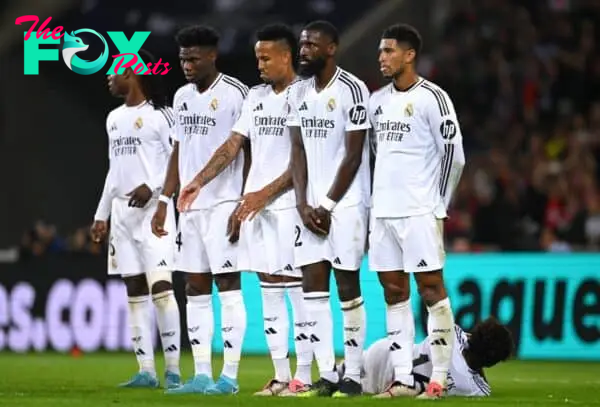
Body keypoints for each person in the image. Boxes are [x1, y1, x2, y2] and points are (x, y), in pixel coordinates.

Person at [177, 23, 314, 397]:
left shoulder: (306, 95)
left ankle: (305, 374)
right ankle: (281, 376)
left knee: (296, 291)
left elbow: (304, 162)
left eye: (266, 57)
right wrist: (199, 181)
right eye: (257, 57)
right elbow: (232, 145)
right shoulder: (255, 96)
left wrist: (261, 194)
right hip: (256, 208)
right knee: (269, 291)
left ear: (287, 56)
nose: (260, 64)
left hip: (290, 206)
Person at [368, 23, 466, 399]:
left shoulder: (434, 99)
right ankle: (404, 379)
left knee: (431, 290)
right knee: (393, 292)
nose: (382, 57)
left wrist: (439, 202)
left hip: (420, 211)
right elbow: (378, 153)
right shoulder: (377, 101)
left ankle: (439, 379)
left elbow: (454, 156)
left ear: (409, 55)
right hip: (384, 213)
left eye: (389, 51)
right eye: (380, 51)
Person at [150, 26, 250, 395]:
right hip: (188, 209)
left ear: (212, 55)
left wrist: (242, 203)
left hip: (223, 203)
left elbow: (245, 149)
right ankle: (202, 375)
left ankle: (231, 376)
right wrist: (164, 201)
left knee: (228, 285)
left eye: (193, 58)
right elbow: (178, 150)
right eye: (182, 59)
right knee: (194, 287)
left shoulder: (237, 94)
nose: (187, 65)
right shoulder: (181, 96)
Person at [286, 20, 371, 397]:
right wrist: (302, 204)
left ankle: (352, 375)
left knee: (347, 285)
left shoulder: (354, 90)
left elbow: (354, 156)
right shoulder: (297, 92)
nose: (303, 50)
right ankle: (327, 374)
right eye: (301, 44)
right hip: (310, 208)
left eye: (311, 45)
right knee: (312, 289)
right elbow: (297, 151)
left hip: (346, 204)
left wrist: (327, 204)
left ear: (332, 48)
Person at [90, 49, 181, 389]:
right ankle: (147, 371)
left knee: (161, 287)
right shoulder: (113, 118)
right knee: (134, 289)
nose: (109, 77)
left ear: (132, 73)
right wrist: (101, 215)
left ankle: (172, 370)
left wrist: (156, 189)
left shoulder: (163, 115)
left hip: (155, 211)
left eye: (114, 71)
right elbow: (114, 171)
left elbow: (178, 160)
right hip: (122, 214)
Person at [339, 318, 514, 397]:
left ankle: (337, 371)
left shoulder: (452, 331)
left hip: (385, 351)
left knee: (346, 374)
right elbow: (483, 384)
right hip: (388, 382)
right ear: (492, 359)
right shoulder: (473, 388)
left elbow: (471, 338)